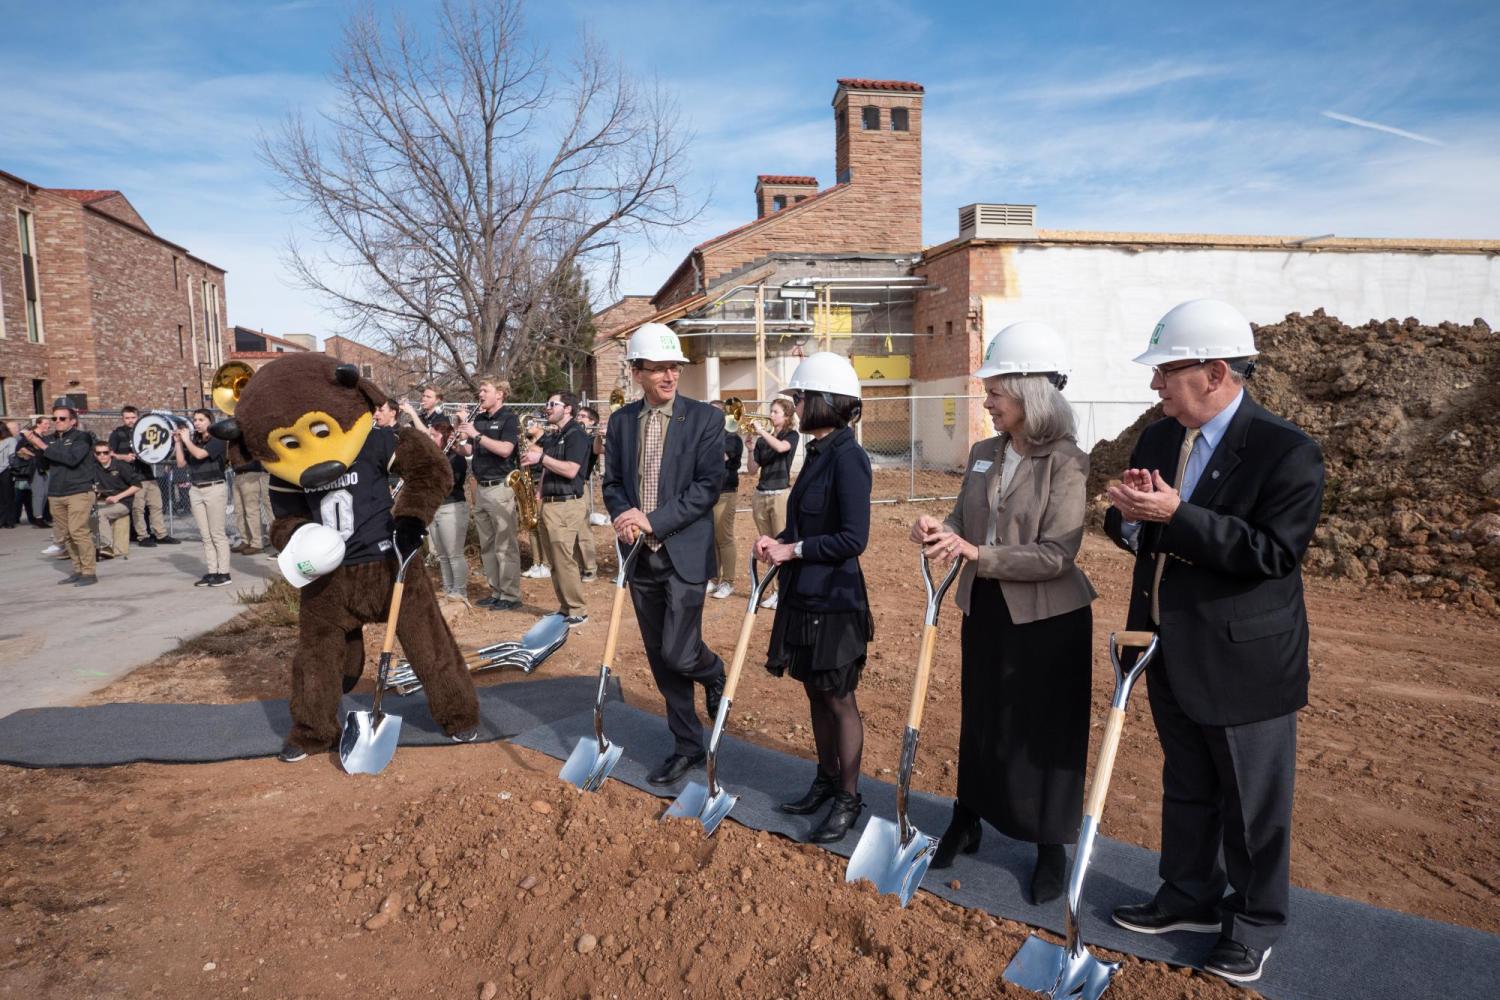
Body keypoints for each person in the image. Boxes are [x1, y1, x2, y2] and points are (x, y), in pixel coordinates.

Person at [1103, 299, 1324, 985]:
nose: (1155, 387)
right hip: (1168, 644)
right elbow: (1133, 530)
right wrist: (1134, 518)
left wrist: (1178, 514)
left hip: (1245, 659)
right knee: (1189, 784)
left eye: (1166, 371)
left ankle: (1253, 924)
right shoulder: (1158, 439)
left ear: (1217, 372)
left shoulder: (1286, 451)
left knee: (1253, 804)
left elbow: (1272, 553)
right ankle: (1188, 897)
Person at [910, 322, 1097, 903]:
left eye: (995, 393)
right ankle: (968, 820)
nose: (986, 402)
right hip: (986, 604)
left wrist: (976, 553)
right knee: (982, 716)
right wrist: (942, 529)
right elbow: (967, 518)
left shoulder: (1067, 462)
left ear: (1029, 394)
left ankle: (1049, 846)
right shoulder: (985, 453)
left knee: (1043, 731)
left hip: (1048, 621)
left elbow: (1057, 554)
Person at [753, 354, 873, 843]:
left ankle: (848, 796)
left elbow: (852, 538)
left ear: (827, 401)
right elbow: (807, 525)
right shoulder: (819, 451)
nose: (796, 405)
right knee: (814, 691)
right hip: (803, 594)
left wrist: (793, 548)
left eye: (802, 397)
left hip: (837, 601)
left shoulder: (850, 456)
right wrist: (777, 540)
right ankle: (825, 779)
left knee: (839, 698)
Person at [602, 323, 728, 786]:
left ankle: (713, 672)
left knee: (679, 651)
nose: (670, 375)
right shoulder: (620, 422)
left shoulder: (704, 420)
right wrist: (624, 516)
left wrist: (652, 519)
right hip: (640, 558)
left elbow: (707, 489)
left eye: (675, 366)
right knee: (659, 656)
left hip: (684, 553)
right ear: (637, 372)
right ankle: (687, 745)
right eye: (659, 368)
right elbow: (612, 483)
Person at [522, 391, 593, 627]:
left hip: (567, 503)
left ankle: (578, 610)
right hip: (550, 504)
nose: (548, 407)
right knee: (554, 560)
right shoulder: (556, 435)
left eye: (553, 404)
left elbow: (572, 470)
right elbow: (547, 470)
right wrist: (539, 494)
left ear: (568, 409)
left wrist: (541, 457)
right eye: (547, 403)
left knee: (564, 559)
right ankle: (565, 608)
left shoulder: (577, 435)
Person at [457, 377, 522, 610]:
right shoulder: (480, 419)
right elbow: (470, 449)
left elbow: (506, 450)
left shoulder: (509, 418)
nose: (480, 394)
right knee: (488, 545)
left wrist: (475, 434)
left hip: (501, 487)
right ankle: (496, 591)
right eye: (480, 390)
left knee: (505, 545)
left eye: (485, 390)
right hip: (481, 487)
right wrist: (456, 440)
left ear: (500, 394)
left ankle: (510, 595)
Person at [23, 406, 98, 585]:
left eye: (62, 419)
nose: (57, 422)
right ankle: (78, 570)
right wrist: (34, 449)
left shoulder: (82, 437)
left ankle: (89, 572)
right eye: (55, 418)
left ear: (73, 421)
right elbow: (43, 465)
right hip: (56, 492)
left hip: (79, 490)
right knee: (66, 535)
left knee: (78, 531)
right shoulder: (49, 440)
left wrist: (42, 445)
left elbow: (71, 459)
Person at [745, 396, 799, 609]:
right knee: (767, 546)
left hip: (779, 496)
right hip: (761, 494)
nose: (771, 414)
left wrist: (761, 431)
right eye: (772, 410)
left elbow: (781, 448)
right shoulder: (762, 440)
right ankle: (776, 590)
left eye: (776, 411)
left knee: (781, 544)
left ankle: (785, 590)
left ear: (786, 416)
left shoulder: (791, 435)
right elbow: (751, 470)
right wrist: (750, 449)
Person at [175, 408, 233, 587]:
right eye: (195, 420)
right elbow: (181, 463)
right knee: (205, 535)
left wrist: (186, 441)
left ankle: (224, 573)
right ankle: (212, 571)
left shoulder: (218, 439)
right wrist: (178, 442)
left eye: (201, 419)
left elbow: (201, 454)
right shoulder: (194, 441)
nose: (196, 423)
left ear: (210, 421)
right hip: (196, 489)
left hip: (214, 488)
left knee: (217, 533)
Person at [110, 405, 177, 547]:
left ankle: (161, 534)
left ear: (138, 417)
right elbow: (109, 454)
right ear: (122, 419)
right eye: (127, 418)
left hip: (147, 474)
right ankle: (142, 536)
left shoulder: (145, 430)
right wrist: (124, 457)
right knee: (138, 508)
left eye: (133, 417)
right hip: (133, 477)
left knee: (156, 505)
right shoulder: (117, 434)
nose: (130, 421)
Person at [427, 417, 471, 603]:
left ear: (445, 436)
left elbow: (451, 484)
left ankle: (460, 590)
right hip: (434, 508)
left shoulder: (456, 457)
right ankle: (448, 588)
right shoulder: (433, 456)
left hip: (451, 507)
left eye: (434, 435)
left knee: (454, 554)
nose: (431, 438)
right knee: (443, 555)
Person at [706, 401, 744, 599]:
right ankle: (713, 579)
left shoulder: (732, 438)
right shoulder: (710, 436)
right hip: (710, 493)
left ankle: (728, 582)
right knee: (711, 538)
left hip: (725, 492)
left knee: (724, 537)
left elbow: (718, 457)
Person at [90, 440, 142, 558]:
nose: (102, 455)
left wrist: (117, 497)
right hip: (103, 501)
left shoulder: (121, 466)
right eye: (99, 453)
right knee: (86, 512)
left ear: (111, 453)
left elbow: (137, 486)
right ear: (95, 455)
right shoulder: (93, 468)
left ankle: (106, 546)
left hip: (123, 502)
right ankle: (92, 546)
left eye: (105, 452)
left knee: (99, 513)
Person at [520, 415, 553, 579]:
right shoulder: (527, 440)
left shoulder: (548, 439)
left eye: (531, 424)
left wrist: (529, 446)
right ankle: (536, 563)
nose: (528, 427)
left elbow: (543, 455)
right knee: (531, 524)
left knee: (542, 525)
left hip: (542, 484)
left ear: (540, 425)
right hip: (528, 483)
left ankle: (547, 564)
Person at [575, 405, 603, 580]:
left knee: (582, 528)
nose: (579, 418)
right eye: (578, 415)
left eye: (583, 416)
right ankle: (577, 565)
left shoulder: (590, 437)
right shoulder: (571, 434)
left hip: (580, 485)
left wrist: (599, 434)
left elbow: (598, 449)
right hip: (565, 487)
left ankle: (590, 568)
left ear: (592, 422)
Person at [231, 456, 269, 556]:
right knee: (239, 511)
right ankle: (245, 540)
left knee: (251, 510)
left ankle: (257, 543)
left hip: (250, 473)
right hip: (237, 474)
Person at [0, 421, 17, 528]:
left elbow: (11, 457)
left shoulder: (10, 440)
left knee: (8, 497)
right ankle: (1, 520)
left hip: (6, 472)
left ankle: (10, 520)